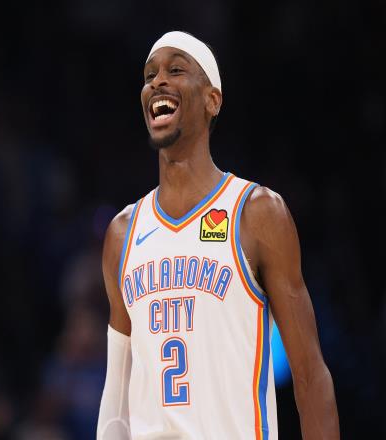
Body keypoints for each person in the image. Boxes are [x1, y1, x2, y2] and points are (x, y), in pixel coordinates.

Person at [97, 31, 339, 440]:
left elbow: (310, 377)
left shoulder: (257, 212)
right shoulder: (123, 233)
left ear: (213, 100)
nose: (158, 81)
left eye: (176, 70)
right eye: (150, 75)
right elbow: (116, 399)